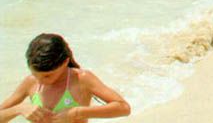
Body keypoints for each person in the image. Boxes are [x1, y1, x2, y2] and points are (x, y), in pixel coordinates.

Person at [0, 33, 131, 122]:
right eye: (35, 74)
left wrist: (76, 113)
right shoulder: (31, 82)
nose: (40, 81)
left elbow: (123, 108)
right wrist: (19, 109)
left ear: (65, 62)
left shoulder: (81, 79)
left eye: (47, 76)